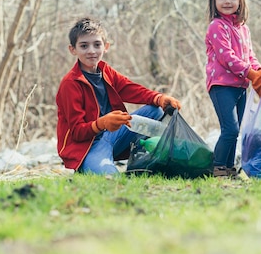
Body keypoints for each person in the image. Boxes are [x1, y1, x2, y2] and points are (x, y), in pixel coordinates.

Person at [56, 17, 182, 175]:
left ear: (106, 46)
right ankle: (89, 165)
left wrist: (159, 98)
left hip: (113, 135)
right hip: (89, 146)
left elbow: (130, 89)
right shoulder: (70, 83)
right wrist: (101, 123)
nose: (91, 51)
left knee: (155, 110)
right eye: (84, 46)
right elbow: (77, 132)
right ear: (73, 49)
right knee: (110, 176)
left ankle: (143, 157)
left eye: (97, 44)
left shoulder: (105, 71)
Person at [205, 0, 261, 178]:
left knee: (237, 131)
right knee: (229, 129)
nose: (227, 1)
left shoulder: (243, 28)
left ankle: (229, 169)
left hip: (240, 86)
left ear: (241, 0)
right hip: (221, 85)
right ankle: (218, 168)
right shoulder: (216, 27)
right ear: (214, 0)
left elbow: (249, 57)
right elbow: (226, 57)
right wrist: (251, 73)